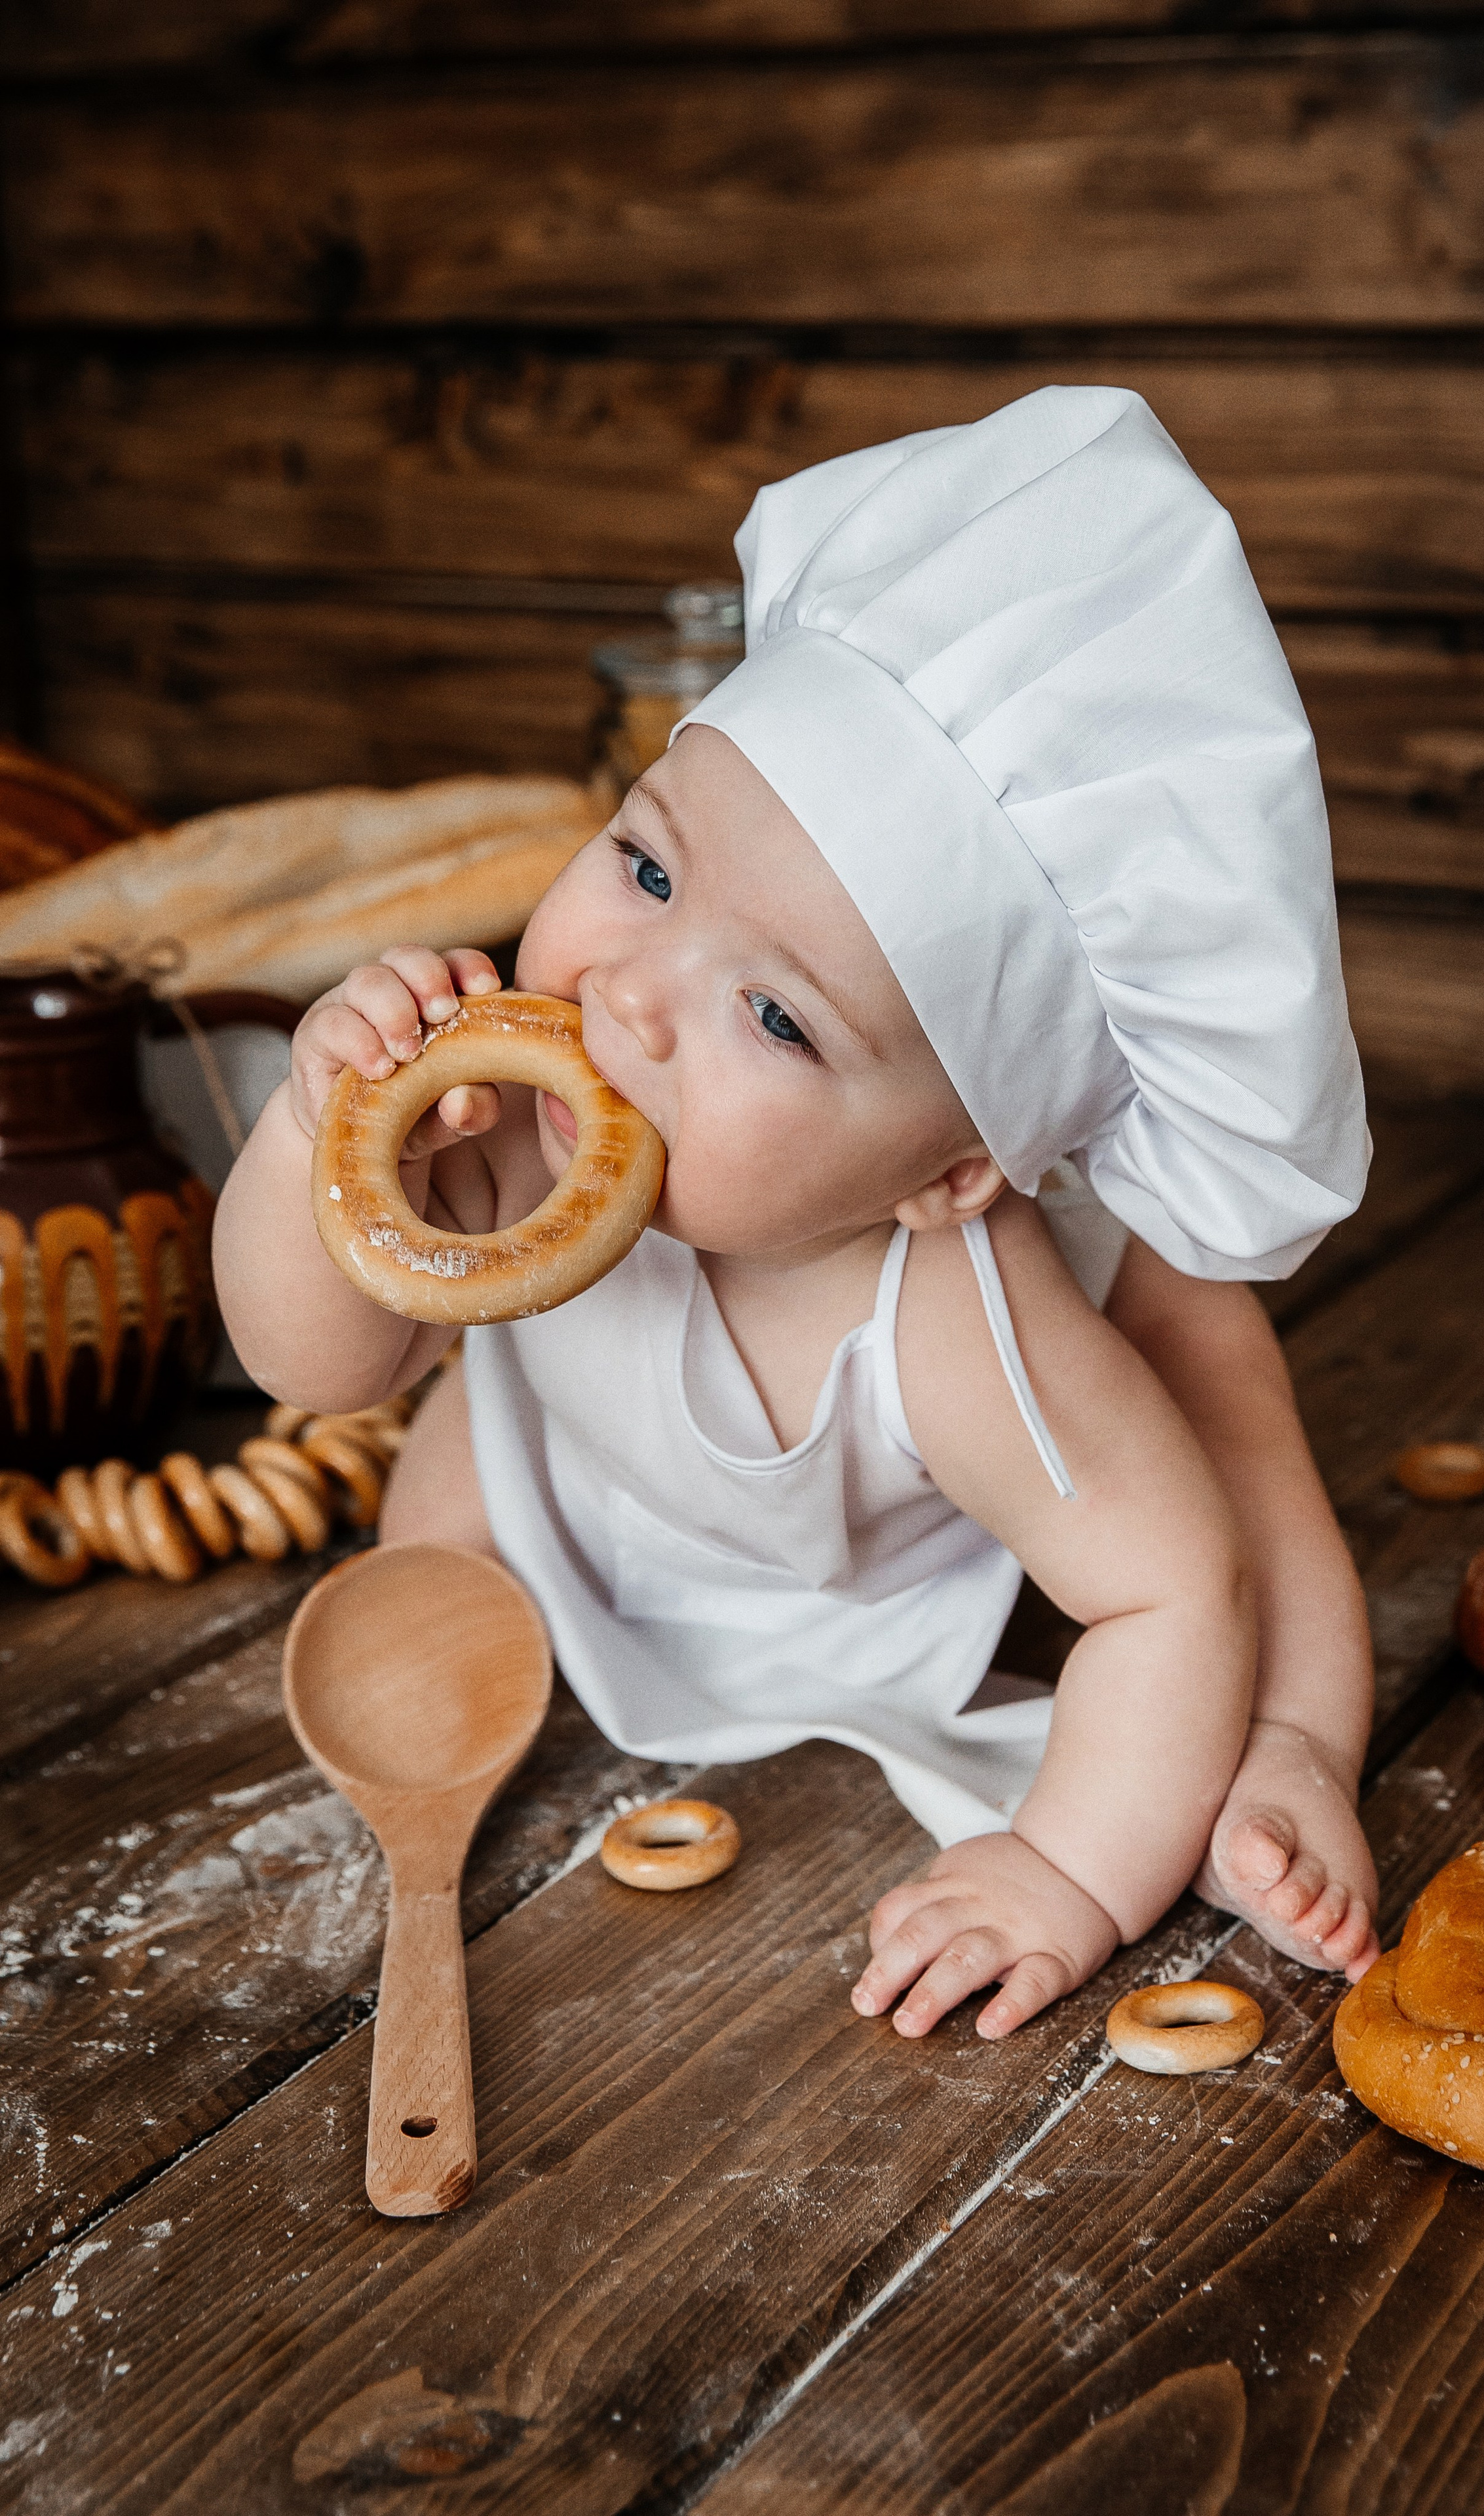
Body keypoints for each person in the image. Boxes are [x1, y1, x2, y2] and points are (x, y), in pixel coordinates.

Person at [214, 387, 1379, 2042]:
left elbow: (1164, 1594)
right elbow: (325, 1364)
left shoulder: (956, 1314)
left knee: (1211, 1379)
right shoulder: (516, 1125)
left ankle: (1298, 1748)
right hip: (571, 1506)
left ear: (946, 1171)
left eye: (777, 1019)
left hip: (905, 1529)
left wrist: (1064, 1868)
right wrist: (303, 1134)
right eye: (647, 868)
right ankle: (504, 1611)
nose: (630, 1002)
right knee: (450, 1477)